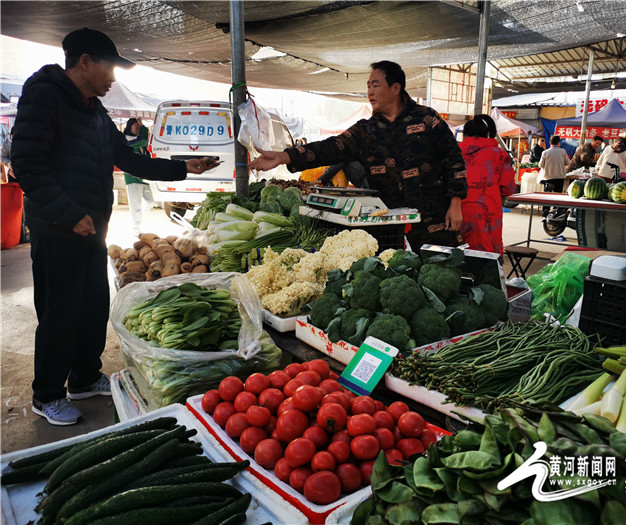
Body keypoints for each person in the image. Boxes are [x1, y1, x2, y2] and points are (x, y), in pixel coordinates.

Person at [11, 28, 216, 426]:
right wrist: (69, 212)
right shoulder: (45, 96)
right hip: (57, 228)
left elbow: (127, 158)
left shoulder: (93, 109)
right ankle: (48, 393)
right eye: (110, 68)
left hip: (92, 229)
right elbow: (27, 163)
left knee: (91, 306)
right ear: (86, 62)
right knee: (59, 312)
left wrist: (182, 166)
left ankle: (85, 377)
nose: (113, 79)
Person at [250, 60, 467, 250]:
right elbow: (329, 148)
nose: (370, 92)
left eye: (375, 85)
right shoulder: (365, 131)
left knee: (441, 277)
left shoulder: (427, 119)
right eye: (368, 86)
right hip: (389, 223)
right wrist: (285, 156)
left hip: (434, 220)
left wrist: (455, 204)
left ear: (395, 88)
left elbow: (454, 160)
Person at [458, 114, 516, 256]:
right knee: (487, 257)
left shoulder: (453, 153)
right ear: (486, 134)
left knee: (457, 256)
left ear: (464, 135)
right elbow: (508, 188)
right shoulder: (499, 155)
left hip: (455, 211)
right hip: (487, 215)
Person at [123, 117, 154, 235]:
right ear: (129, 127)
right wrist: (143, 127)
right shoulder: (126, 140)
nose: (138, 129)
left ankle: (135, 219)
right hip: (132, 177)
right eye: (136, 127)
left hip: (144, 176)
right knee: (135, 205)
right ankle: (135, 229)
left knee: (150, 201)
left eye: (138, 127)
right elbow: (145, 139)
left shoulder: (139, 140)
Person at [538, 135, 569, 218]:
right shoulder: (563, 151)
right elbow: (567, 162)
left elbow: (540, 165)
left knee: (547, 196)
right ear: (558, 143)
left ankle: (545, 212)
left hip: (548, 177)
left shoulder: (545, 152)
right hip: (560, 177)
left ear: (550, 142)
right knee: (558, 195)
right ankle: (556, 212)